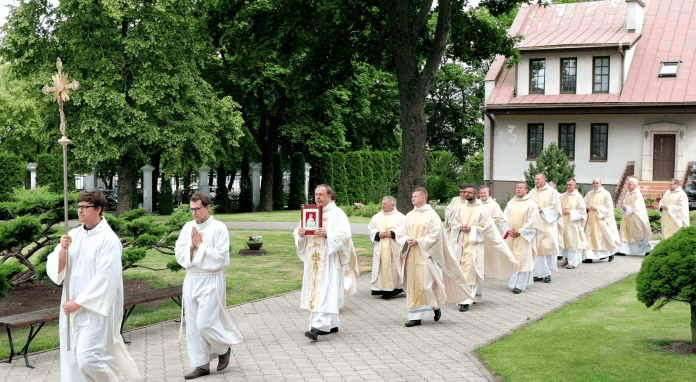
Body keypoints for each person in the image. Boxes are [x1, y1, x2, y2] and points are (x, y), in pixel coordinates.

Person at [47, 189, 139, 381]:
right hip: (71, 308)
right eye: (78, 206)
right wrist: (63, 250)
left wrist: (78, 302)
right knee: (72, 360)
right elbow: (57, 269)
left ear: (98, 209)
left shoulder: (109, 239)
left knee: (88, 358)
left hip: (95, 309)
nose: (79, 211)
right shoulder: (72, 235)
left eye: (84, 207)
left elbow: (106, 278)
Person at [175, 192, 243, 379]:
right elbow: (178, 250)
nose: (194, 213)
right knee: (193, 326)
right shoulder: (187, 226)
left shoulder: (219, 228)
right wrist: (190, 247)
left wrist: (201, 246)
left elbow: (222, 257)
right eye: (191, 209)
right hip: (191, 278)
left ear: (207, 207)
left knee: (204, 323)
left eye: (197, 209)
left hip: (211, 279)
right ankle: (201, 364)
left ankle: (223, 349)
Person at [395, 187, 473, 327]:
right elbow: (401, 232)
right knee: (414, 286)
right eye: (412, 196)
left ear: (423, 198)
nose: (412, 199)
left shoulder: (432, 215)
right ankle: (415, 317)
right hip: (411, 255)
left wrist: (419, 241)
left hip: (426, 255)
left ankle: (436, 307)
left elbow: (435, 235)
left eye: (415, 196)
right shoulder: (409, 215)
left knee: (426, 285)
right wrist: (407, 239)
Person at [293, 185, 359, 341]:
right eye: (316, 195)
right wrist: (300, 234)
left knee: (326, 290)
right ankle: (332, 324)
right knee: (319, 290)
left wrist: (328, 234)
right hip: (314, 260)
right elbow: (300, 230)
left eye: (321, 195)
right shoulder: (310, 212)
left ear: (329, 196)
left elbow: (345, 236)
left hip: (330, 260)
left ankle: (317, 327)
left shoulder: (338, 214)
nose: (318, 197)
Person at [447, 185, 517, 311]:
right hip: (462, 245)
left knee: (472, 272)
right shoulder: (460, 208)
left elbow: (487, 228)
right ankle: (470, 296)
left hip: (475, 246)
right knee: (463, 272)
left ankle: (466, 301)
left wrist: (472, 229)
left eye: (470, 192)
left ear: (476, 194)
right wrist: (459, 227)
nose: (467, 194)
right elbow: (453, 223)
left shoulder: (481, 210)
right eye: (466, 192)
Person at [502, 182, 543, 294]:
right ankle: (513, 283)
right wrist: (508, 230)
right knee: (514, 259)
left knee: (524, 260)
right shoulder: (511, 203)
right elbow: (505, 218)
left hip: (524, 237)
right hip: (512, 237)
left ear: (526, 190)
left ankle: (520, 285)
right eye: (517, 188)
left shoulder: (531, 204)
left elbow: (532, 221)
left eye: (521, 188)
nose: (519, 190)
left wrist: (520, 231)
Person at [368, 196, 407, 299]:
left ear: (392, 205)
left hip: (393, 247)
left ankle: (395, 289)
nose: (383, 206)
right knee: (381, 267)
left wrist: (393, 233)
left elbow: (404, 232)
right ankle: (382, 289)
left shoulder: (401, 217)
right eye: (382, 204)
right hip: (381, 247)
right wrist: (377, 234)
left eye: (385, 204)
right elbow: (371, 229)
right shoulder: (376, 217)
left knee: (394, 267)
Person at [528, 173, 563, 283]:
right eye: (535, 179)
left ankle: (547, 273)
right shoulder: (532, 192)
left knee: (548, 249)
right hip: (535, 225)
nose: (536, 181)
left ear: (544, 180)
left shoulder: (552, 192)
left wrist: (543, 210)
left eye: (538, 179)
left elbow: (557, 209)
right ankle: (540, 274)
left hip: (548, 224)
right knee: (537, 250)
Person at [584, 178, 620, 262]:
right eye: (593, 183)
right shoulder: (589, 193)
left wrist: (597, 208)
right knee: (589, 237)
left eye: (597, 183)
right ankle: (589, 257)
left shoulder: (606, 193)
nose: (595, 184)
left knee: (602, 238)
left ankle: (610, 253)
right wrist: (587, 206)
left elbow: (609, 207)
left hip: (601, 220)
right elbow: (584, 203)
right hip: (591, 220)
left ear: (600, 184)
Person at [618, 178, 653, 256]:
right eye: (628, 184)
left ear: (635, 185)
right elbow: (624, 202)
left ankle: (649, 249)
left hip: (635, 218)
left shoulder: (638, 194)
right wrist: (624, 206)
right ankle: (623, 250)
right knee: (625, 234)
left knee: (639, 234)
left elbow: (638, 207)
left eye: (629, 184)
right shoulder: (627, 194)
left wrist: (627, 208)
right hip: (627, 217)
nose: (628, 186)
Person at [559, 178, 587, 269]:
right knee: (563, 242)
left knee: (572, 242)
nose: (568, 186)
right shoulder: (562, 196)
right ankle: (566, 258)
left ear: (575, 185)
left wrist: (570, 212)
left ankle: (573, 262)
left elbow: (583, 212)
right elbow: (557, 207)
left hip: (572, 223)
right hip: (563, 222)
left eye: (570, 185)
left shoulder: (578, 197)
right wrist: (561, 211)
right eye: (567, 184)